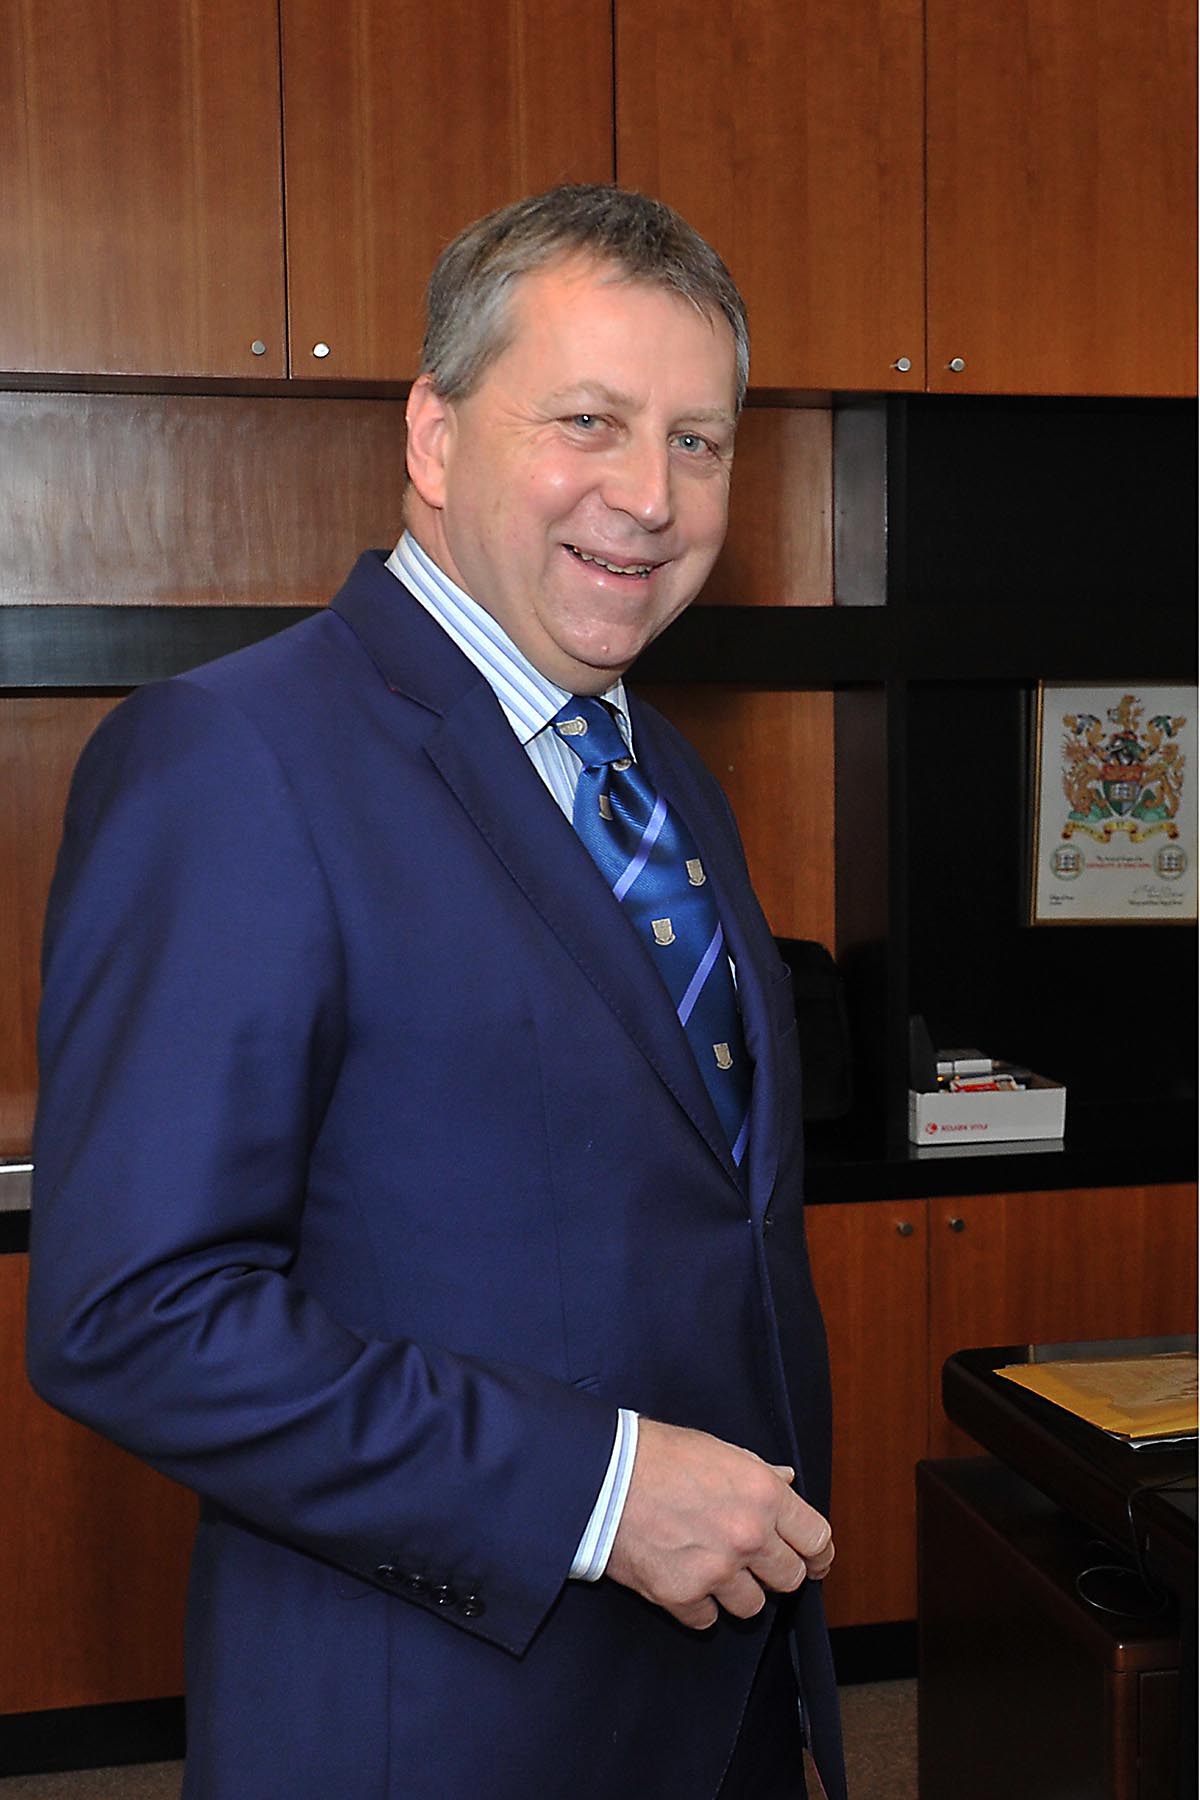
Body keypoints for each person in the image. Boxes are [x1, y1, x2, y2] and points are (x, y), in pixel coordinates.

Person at [27, 185, 845, 1800]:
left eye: (698, 441)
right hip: (437, 1726)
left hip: (711, 1692)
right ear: (434, 432)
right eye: (589, 421)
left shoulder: (660, 773)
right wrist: (597, 1493)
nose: (650, 495)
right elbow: (134, 1316)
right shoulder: (234, 760)